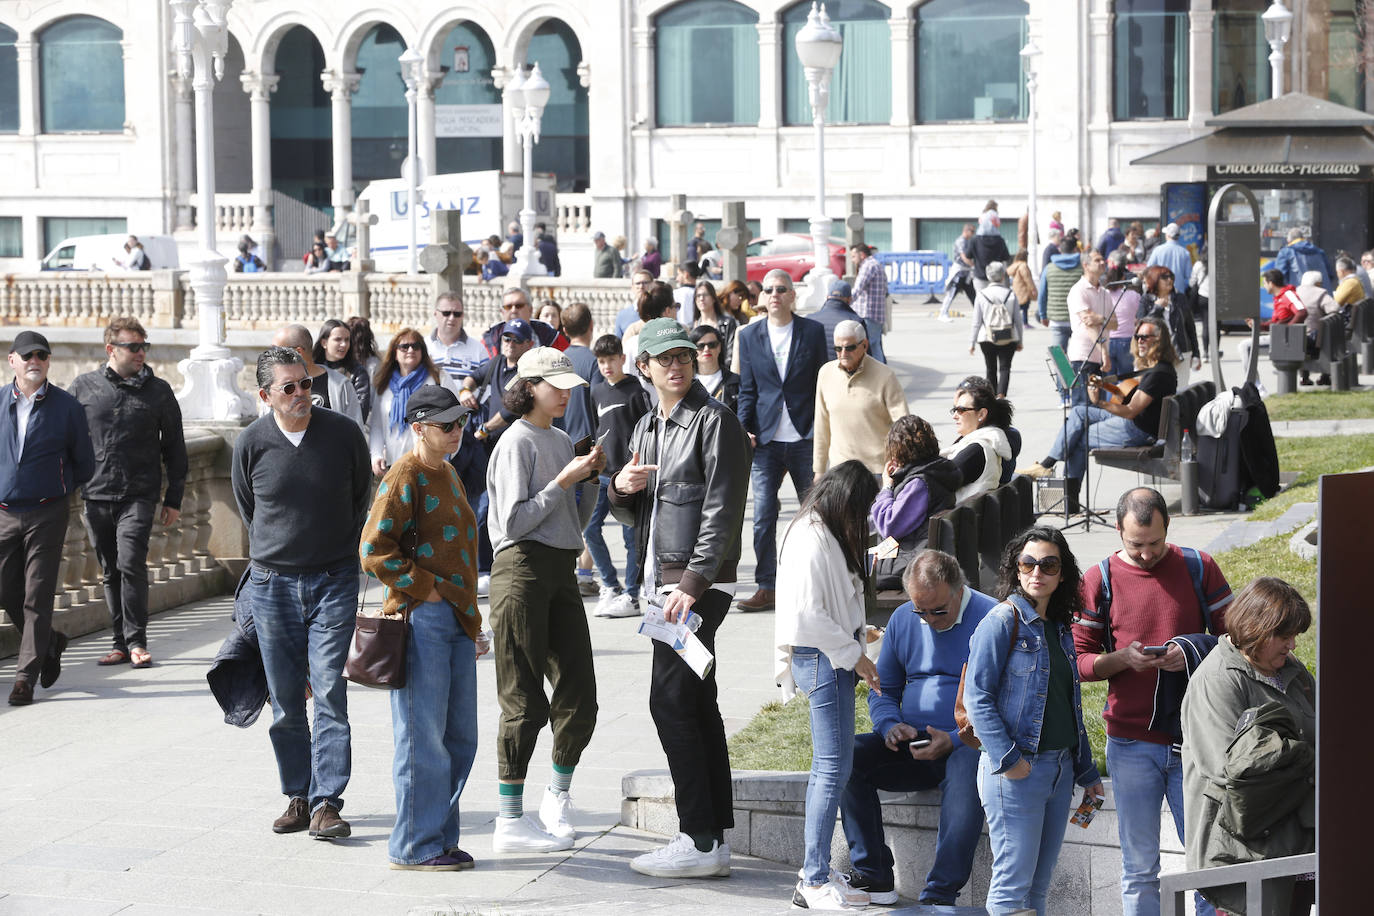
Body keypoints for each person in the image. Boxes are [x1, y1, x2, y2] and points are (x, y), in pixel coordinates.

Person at [609, 318, 750, 879]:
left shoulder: (715, 421)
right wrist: (619, 488)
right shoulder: (647, 425)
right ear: (643, 366)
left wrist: (692, 585)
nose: (677, 366)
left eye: (685, 357)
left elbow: (723, 510)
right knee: (695, 702)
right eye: (664, 358)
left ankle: (697, 838)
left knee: (668, 702)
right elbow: (632, 514)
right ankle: (711, 837)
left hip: (695, 585)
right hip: (662, 583)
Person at [231, 346, 371, 839]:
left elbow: (360, 499)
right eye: (288, 388)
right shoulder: (251, 443)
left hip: (333, 580)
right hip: (272, 585)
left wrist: (334, 550)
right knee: (286, 699)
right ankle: (298, 794)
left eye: (306, 384)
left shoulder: (343, 434)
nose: (300, 394)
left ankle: (327, 801)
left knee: (330, 690)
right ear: (265, 395)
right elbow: (248, 508)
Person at [1075, 487, 1231, 916]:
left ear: (1168, 527)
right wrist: (1120, 660)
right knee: (1139, 867)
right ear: (1117, 530)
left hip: (1194, 739)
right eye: (1136, 545)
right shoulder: (1099, 579)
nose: (1146, 554)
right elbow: (1078, 661)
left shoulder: (1199, 566)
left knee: (1208, 860)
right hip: (1129, 742)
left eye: (1155, 544)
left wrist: (1192, 651)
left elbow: (1238, 639)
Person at [359, 386, 486, 871]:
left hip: (455, 618)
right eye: (446, 425)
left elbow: (462, 556)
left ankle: (440, 838)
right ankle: (415, 845)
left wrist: (471, 621)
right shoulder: (405, 474)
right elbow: (373, 549)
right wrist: (426, 589)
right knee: (421, 738)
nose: (457, 431)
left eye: (460, 423)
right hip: (422, 619)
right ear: (418, 427)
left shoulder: (448, 472)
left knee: (459, 738)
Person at [486, 347, 605, 853]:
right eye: (555, 386)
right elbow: (513, 522)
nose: (564, 395)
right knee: (523, 699)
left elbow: (572, 521)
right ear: (528, 387)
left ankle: (557, 795)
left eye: (568, 387)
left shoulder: (558, 439)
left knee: (580, 692)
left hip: (559, 568)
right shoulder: (515, 441)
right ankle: (509, 819)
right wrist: (564, 480)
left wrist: (590, 479)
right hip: (520, 569)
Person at [964, 527, 1104, 916]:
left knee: (1038, 889)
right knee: (1012, 889)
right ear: (1016, 568)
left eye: (1048, 565)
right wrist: (1010, 760)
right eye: (1028, 563)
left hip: (1059, 770)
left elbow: (1068, 705)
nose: (1037, 572)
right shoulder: (1001, 621)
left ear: (1063, 574)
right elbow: (977, 698)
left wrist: (1086, 771)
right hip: (1017, 771)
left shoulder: (1058, 628)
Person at [841, 550, 995, 906]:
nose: (927, 619)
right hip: (912, 741)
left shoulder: (992, 617)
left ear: (959, 590)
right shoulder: (902, 619)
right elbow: (884, 689)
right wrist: (889, 725)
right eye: (919, 610)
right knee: (847, 757)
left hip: (968, 742)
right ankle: (873, 874)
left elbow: (1003, 701)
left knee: (967, 773)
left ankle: (939, 896)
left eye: (937, 610)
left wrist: (955, 739)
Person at [774, 461, 882, 910]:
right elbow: (807, 617)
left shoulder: (819, 530)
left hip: (827, 657)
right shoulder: (812, 537)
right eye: (863, 509)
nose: (864, 520)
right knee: (831, 769)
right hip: (823, 659)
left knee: (831, 767)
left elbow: (825, 606)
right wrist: (855, 654)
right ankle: (813, 878)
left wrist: (856, 638)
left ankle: (816, 872)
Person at [1181, 577, 1315, 916]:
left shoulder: (1294, 672)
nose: (1292, 645)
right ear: (1257, 629)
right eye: (1284, 636)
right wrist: (1302, 760)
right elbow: (1230, 771)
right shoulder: (1217, 679)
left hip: (1297, 844)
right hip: (1242, 851)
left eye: (1295, 636)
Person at [70, 317, 187, 670]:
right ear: (111, 349)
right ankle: (119, 643)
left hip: (139, 494)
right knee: (110, 571)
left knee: (131, 563)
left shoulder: (159, 391)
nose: (140, 353)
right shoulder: (83, 387)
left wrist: (174, 498)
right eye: (133, 347)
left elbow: (175, 448)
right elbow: (65, 440)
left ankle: (137, 641)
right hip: (96, 493)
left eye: (143, 346)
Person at [2, 331, 94, 706]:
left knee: (37, 595)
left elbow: (84, 462)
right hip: (4, 512)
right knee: (6, 589)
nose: (35, 361)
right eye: (27, 355)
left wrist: (58, 488)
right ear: (12, 360)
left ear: (48, 361)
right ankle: (50, 642)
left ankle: (25, 678)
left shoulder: (67, 407)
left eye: (41, 355)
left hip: (47, 511)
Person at [735, 268, 828, 612]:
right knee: (762, 516)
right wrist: (744, 430)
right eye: (769, 289)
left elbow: (822, 383)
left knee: (814, 516)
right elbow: (748, 389)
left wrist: (823, 431)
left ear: (792, 295)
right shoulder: (749, 335)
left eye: (780, 289)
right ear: (762, 297)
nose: (774, 294)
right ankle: (767, 586)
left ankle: (817, 584)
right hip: (766, 441)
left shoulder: (812, 332)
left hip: (805, 436)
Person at [1020, 316, 1179, 514]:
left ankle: (1068, 499)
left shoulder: (1158, 374)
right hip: (1139, 423)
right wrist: (1106, 387)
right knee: (1079, 412)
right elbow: (1131, 398)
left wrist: (1099, 402)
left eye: (1145, 337)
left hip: (1138, 430)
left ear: (1159, 340)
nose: (1139, 341)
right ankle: (1047, 465)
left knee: (1079, 439)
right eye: (1137, 336)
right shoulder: (1158, 368)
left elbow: (1131, 411)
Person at [585, 334, 651, 618]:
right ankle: (611, 585)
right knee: (589, 529)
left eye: (612, 359)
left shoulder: (636, 390)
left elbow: (647, 429)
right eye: (601, 361)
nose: (607, 366)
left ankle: (632, 596)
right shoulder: (596, 391)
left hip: (629, 477)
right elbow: (595, 428)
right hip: (602, 475)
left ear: (623, 359)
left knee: (630, 537)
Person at [869, 418, 961, 591]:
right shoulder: (934, 471)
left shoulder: (919, 483)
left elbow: (890, 525)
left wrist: (887, 486)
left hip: (905, 565)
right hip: (915, 555)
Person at [813, 320, 908, 477]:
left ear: (864, 345)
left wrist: (901, 464)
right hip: (840, 472)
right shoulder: (825, 373)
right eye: (838, 348)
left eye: (849, 347)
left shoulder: (885, 376)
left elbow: (902, 424)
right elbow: (821, 425)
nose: (843, 353)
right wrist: (819, 469)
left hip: (878, 471)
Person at [368, 329, 463, 477]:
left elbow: (456, 416)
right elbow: (377, 425)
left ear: (422, 351)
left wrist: (446, 455)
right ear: (394, 352)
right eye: (404, 347)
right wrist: (376, 455)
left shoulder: (438, 378)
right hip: (394, 465)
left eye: (416, 346)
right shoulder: (384, 383)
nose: (411, 350)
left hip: (432, 464)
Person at [272, 324, 363, 430]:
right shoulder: (273, 386)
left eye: (277, 351)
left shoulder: (341, 385)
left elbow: (356, 430)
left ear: (298, 352)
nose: (272, 357)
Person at [941, 382, 1014, 503]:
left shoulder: (976, 449)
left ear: (981, 414)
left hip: (959, 513)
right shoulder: (983, 442)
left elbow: (938, 482)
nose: (955, 416)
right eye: (954, 410)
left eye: (961, 410)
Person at [1065, 249, 1116, 405]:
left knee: (1099, 405)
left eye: (1103, 259)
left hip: (1100, 359)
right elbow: (1089, 324)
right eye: (1097, 260)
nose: (1102, 262)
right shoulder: (1078, 290)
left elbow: (1115, 323)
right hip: (1083, 357)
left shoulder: (1105, 292)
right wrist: (1104, 352)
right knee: (1084, 405)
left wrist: (1100, 318)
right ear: (1085, 265)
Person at [968, 261, 1024, 397]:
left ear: (988, 276)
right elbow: (1018, 320)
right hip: (1009, 336)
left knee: (990, 368)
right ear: (1003, 276)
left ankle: (992, 397)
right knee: (1005, 368)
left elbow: (976, 321)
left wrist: (972, 343)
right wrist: (1020, 340)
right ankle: (1001, 395)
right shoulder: (1010, 294)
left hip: (986, 337)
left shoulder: (981, 294)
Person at [1140, 266, 1200, 388]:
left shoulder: (1180, 298)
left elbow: (1190, 328)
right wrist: (1157, 308)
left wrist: (1196, 354)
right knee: (1158, 390)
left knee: (1181, 390)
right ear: (1154, 279)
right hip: (1156, 354)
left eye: (1171, 277)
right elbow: (1141, 326)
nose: (1169, 280)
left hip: (1181, 352)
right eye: (1164, 277)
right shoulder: (1146, 300)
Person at [1238, 269, 1306, 375]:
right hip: (1280, 336)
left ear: (1271, 283)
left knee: (1244, 346)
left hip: (1286, 338)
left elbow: (1302, 312)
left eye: (1264, 283)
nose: (1264, 286)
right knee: (1244, 345)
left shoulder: (1288, 294)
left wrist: (1287, 330)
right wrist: (1259, 326)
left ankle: (1253, 383)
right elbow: (1277, 322)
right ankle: (1254, 382)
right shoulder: (1279, 298)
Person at [480, 287, 568, 358]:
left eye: (519, 306)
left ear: (530, 310)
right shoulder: (490, 339)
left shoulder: (551, 336)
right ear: (502, 312)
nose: (513, 310)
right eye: (508, 307)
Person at [314, 318, 371, 423]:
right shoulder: (311, 369)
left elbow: (360, 413)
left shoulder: (357, 372)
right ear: (324, 342)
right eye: (338, 339)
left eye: (347, 340)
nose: (344, 344)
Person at [428, 292, 488, 390]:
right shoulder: (422, 347)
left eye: (457, 314)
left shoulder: (479, 349)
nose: (452, 318)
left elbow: (487, 386)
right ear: (435, 314)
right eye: (446, 313)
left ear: (463, 315)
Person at [1037, 237, 1085, 353]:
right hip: (1080, 319)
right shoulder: (1083, 268)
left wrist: (1043, 315)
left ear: (1060, 250)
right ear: (1075, 249)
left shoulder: (1049, 268)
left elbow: (1042, 294)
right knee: (1081, 356)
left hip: (1057, 320)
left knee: (1059, 358)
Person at [1295, 268, 1341, 386]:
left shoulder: (1296, 291)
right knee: (1329, 334)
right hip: (1314, 339)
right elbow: (1334, 309)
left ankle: (1304, 377)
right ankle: (1325, 376)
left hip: (1295, 337)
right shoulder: (1320, 293)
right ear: (1318, 283)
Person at [850, 242, 889, 359]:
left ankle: (877, 370)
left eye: (853, 256)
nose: (852, 260)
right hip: (876, 314)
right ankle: (880, 369)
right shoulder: (876, 264)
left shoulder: (868, 266)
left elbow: (857, 290)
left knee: (870, 346)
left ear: (862, 255)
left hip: (868, 314)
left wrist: (844, 302)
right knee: (875, 345)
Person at [1105, 255, 1142, 376]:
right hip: (1127, 340)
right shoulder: (1133, 295)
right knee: (1126, 379)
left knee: (1109, 380)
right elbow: (1138, 315)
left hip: (1107, 340)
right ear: (1123, 278)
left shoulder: (1104, 295)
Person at [691, 280, 740, 367]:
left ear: (713, 298)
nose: (701, 299)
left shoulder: (728, 323)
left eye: (705, 295)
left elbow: (731, 354)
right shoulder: (692, 326)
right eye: (698, 296)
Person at [690, 325, 738, 412]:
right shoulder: (685, 383)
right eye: (701, 346)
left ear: (719, 347)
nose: (706, 349)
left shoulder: (735, 382)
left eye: (712, 345)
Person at [939, 223, 976, 322]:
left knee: (972, 294)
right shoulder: (961, 241)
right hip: (959, 272)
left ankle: (979, 314)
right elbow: (964, 257)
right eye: (972, 231)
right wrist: (973, 265)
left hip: (967, 273)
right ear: (966, 230)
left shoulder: (968, 241)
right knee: (951, 293)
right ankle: (943, 313)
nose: (973, 234)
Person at [969, 213, 1011, 296]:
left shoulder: (975, 240)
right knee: (997, 299)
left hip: (980, 276)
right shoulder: (1000, 240)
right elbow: (1006, 257)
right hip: (997, 277)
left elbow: (968, 256)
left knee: (981, 299)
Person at [1145, 222, 1193, 287]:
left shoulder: (1158, 250)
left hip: (1161, 289)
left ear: (1167, 235)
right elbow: (1188, 276)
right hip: (1179, 289)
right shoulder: (1185, 252)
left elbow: (1149, 269)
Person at [616, 270, 655, 337]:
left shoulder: (661, 311)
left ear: (653, 285)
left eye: (645, 283)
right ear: (632, 287)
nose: (641, 286)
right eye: (638, 283)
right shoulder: (622, 315)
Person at [1007, 248, 1035, 329]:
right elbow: (1027, 278)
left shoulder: (1015, 265)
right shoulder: (1023, 266)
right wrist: (1032, 288)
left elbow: (1008, 272)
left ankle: (1013, 322)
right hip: (1024, 288)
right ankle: (1025, 323)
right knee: (1025, 306)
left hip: (1016, 287)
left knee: (1017, 306)